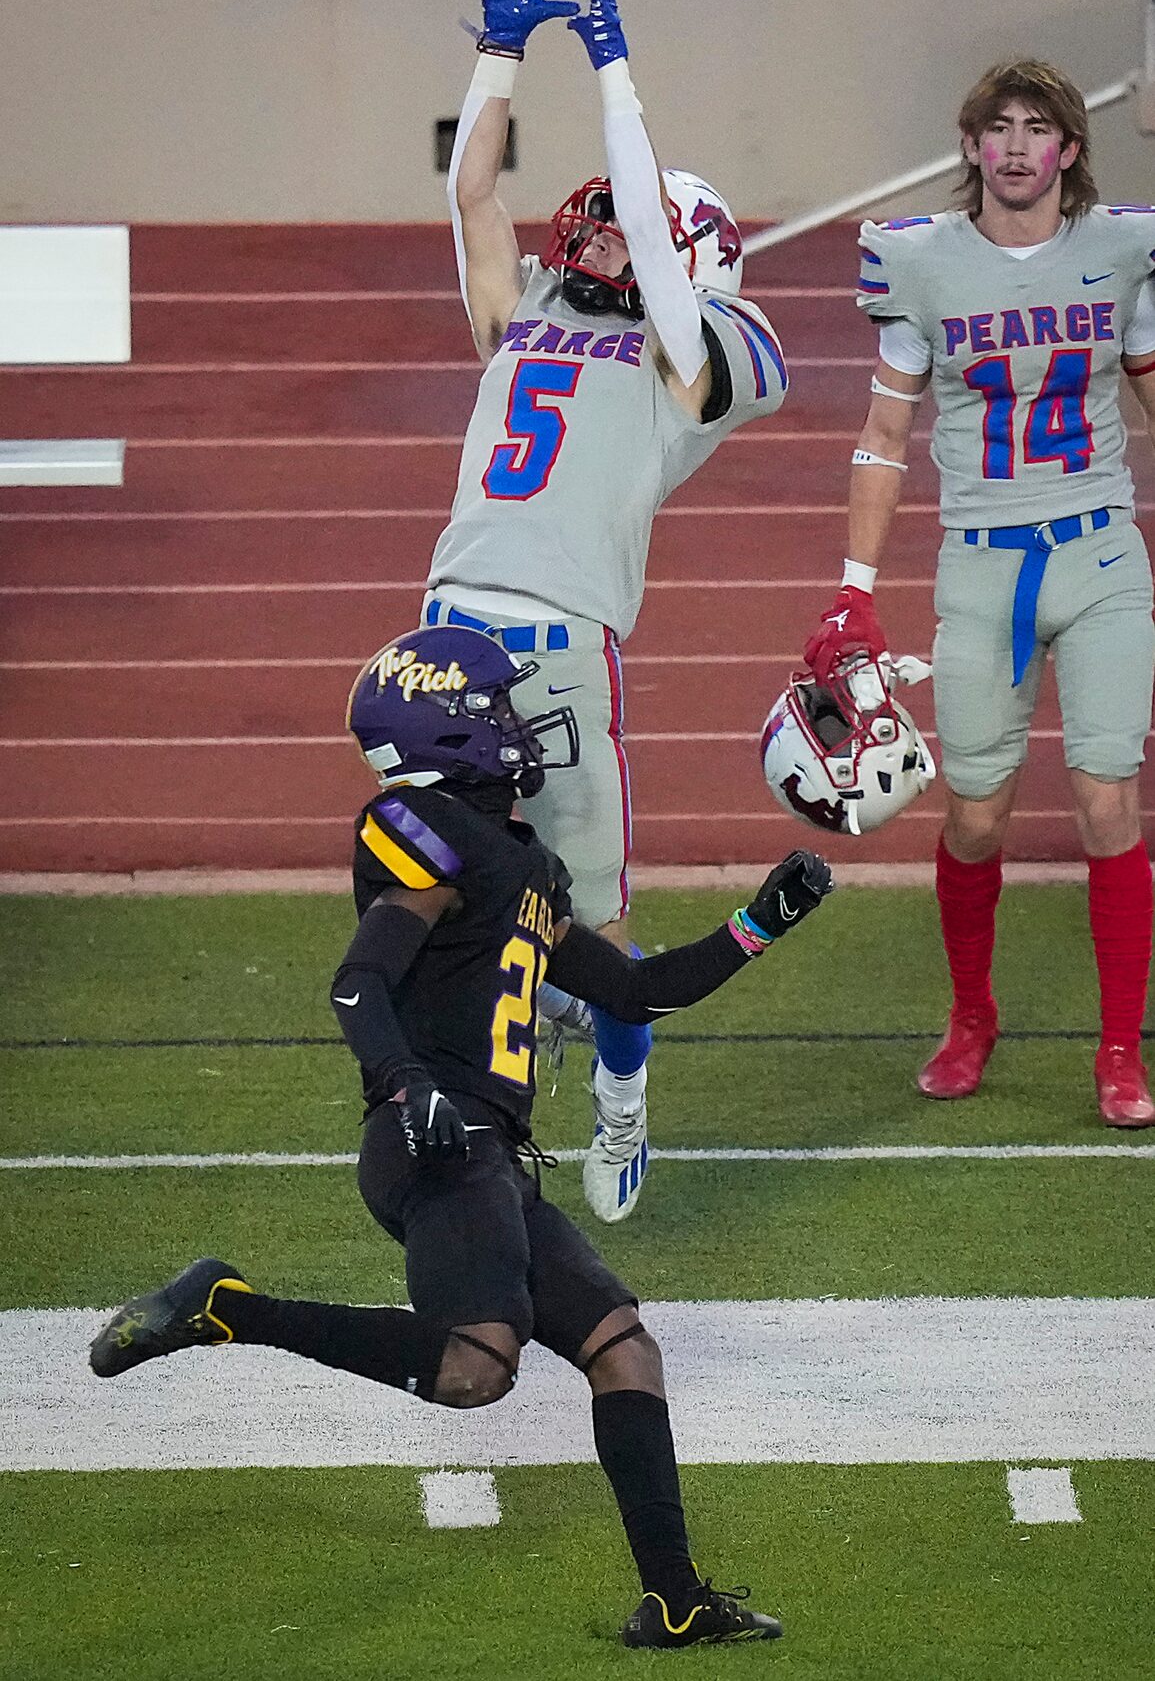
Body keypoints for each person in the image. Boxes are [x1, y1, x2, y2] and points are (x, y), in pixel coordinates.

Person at [90, 627, 832, 1649]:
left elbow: (635, 991)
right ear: (451, 730)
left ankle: (674, 1601)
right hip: (434, 1137)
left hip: (489, 1154)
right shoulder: (426, 832)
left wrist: (759, 924)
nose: (521, 727)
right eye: (500, 711)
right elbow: (359, 982)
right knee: (474, 1368)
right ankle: (229, 1309)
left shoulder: (517, 859)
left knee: (626, 1351)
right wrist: (405, 1088)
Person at [424, 0, 789, 1221]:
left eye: (644, 239)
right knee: (452, 904)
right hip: (447, 632)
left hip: (563, 648)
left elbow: (648, 230)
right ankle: (469, 1094)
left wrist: (619, 66)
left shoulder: (704, 356)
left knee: (595, 932)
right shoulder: (531, 303)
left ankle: (624, 1099)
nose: (610, 238)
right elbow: (471, 195)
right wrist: (501, 49)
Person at [801, 58, 1155, 1127]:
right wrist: (854, 588)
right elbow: (883, 437)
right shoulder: (921, 265)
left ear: (1069, 149)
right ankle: (971, 1016)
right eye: (994, 127)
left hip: (1098, 554)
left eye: (1034, 127)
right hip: (984, 563)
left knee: (1108, 800)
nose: (1013, 146)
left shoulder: (1123, 250)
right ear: (969, 147)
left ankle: (1119, 1051)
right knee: (975, 816)